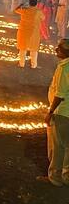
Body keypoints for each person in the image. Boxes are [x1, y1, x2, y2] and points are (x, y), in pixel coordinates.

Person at [38, 38, 69, 187]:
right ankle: (66, 176)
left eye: (60, 48)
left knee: (57, 147)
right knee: (68, 146)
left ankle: (55, 177)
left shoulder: (65, 68)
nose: (56, 50)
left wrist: (50, 112)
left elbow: (60, 94)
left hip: (62, 113)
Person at [15, 0, 44, 69]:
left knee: (23, 48)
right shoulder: (38, 11)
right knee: (34, 49)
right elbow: (43, 18)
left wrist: (21, 5)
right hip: (34, 32)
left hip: (24, 31)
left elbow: (16, 10)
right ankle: (34, 65)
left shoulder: (25, 10)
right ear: (36, 3)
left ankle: (21, 64)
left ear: (29, 3)